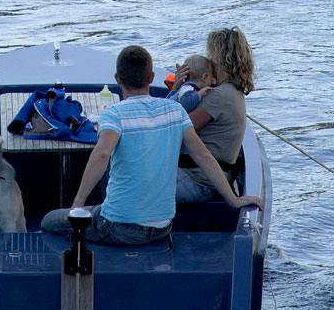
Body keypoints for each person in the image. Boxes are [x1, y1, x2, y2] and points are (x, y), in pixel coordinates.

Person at [41, 44, 262, 245]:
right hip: (162, 228)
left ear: (117, 78)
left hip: (118, 228)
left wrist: (77, 205)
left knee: (49, 221)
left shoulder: (114, 114)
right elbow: (204, 157)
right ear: (151, 77)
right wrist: (233, 199)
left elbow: (101, 156)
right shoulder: (175, 111)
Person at [175, 26, 255, 204]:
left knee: (120, 174)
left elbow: (176, 129)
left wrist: (178, 90)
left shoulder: (219, 95)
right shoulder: (233, 91)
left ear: (219, 59)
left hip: (197, 181)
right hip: (203, 177)